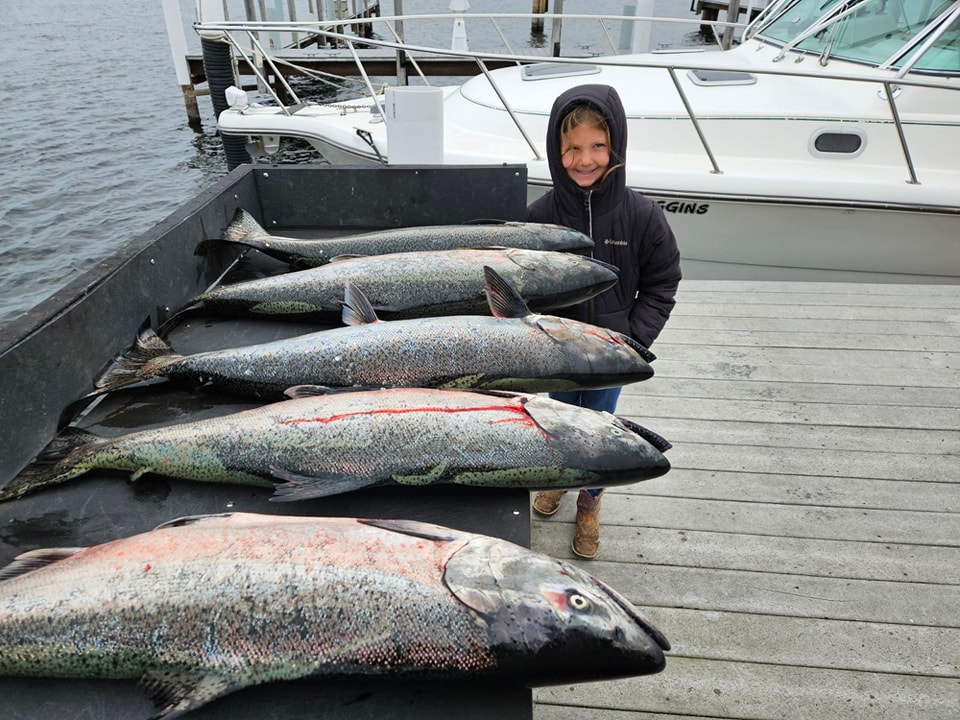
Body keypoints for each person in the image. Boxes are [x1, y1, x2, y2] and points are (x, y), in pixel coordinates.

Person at [528, 84, 681, 559]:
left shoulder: (642, 216)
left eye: (597, 146)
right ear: (556, 152)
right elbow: (521, 291)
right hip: (554, 355)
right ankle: (562, 477)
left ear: (615, 146)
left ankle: (590, 500)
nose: (585, 159)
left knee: (598, 426)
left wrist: (632, 340)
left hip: (610, 359)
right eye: (572, 148)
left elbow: (663, 281)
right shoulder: (539, 220)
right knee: (556, 420)